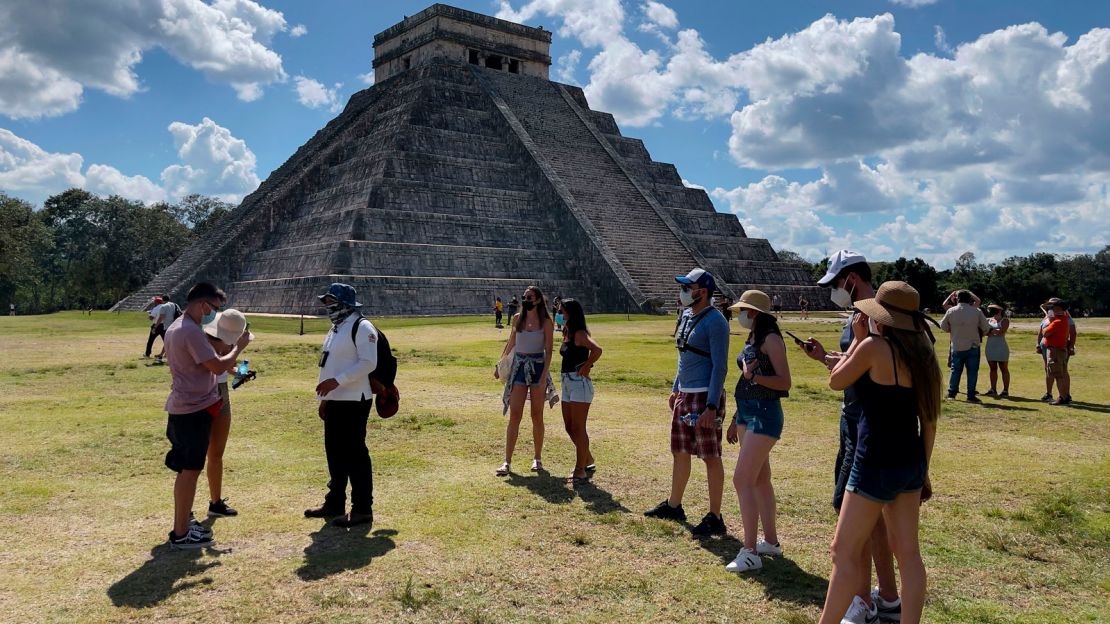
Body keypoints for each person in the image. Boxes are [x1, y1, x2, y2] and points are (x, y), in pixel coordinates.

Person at [817, 281, 940, 624]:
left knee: (843, 552)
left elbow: (836, 380)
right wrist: (924, 470)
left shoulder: (873, 346)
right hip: (911, 461)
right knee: (909, 555)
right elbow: (929, 422)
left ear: (881, 318)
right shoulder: (924, 355)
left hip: (874, 462)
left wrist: (857, 339)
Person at [801, 250, 901, 624]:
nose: (834, 292)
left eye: (836, 284)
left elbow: (874, 365)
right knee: (871, 518)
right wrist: (824, 357)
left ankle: (862, 600)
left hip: (864, 422)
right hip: (856, 419)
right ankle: (888, 597)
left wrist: (843, 359)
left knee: (849, 515)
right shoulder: (861, 319)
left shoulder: (875, 319)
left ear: (852, 280)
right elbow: (856, 366)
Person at [162, 282, 251, 549]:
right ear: (203, 305)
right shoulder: (190, 331)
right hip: (193, 409)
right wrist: (240, 347)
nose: (214, 313)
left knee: (187, 471)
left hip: (184, 405)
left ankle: (183, 525)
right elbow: (217, 365)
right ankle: (181, 533)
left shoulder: (178, 327)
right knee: (190, 471)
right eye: (213, 308)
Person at [644, 268, 731, 538]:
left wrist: (712, 405)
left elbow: (719, 367)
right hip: (685, 394)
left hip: (705, 396)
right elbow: (683, 357)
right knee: (680, 452)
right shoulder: (686, 316)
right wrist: (675, 388)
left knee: (710, 455)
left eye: (687, 287)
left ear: (702, 292)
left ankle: (715, 515)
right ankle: (674, 504)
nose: (682, 292)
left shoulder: (716, 321)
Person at [724, 290, 791, 573]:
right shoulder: (752, 338)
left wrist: (754, 376)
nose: (740, 315)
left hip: (764, 414)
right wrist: (736, 417)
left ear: (754, 313)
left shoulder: (771, 339)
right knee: (760, 479)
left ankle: (750, 550)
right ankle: (770, 542)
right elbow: (745, 380)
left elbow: (784, 382)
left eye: (744, 311)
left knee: (743, 480)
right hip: (747, 412)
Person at [304, 283, 379, 528]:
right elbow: (330, 364)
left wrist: (337, 382)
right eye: (325, 302)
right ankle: (334, 502)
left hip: (354, 400)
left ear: (344, 303)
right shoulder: (337, 328)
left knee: (355, 455)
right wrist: (326, 398)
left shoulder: (362, 326)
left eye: (331, 302)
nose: (327, 307)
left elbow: (368, 363)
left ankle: (362, 509)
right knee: (334, 454)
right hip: (336, 400)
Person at [494, 286, 556, 476]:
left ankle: (537, 459)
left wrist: (544, 374)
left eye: (529, 297)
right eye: (524, 296)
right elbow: (511, 343)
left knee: (537, 415)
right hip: (519, 367)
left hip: (537, 366)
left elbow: (549, 350)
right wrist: (500, 364)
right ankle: (507, 461)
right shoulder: (517, 318)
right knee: (515, 415)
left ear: (538, 300)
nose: (525, 299)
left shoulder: (546, 322)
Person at [202, 308, 253, 518]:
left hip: (221, 393)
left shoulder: (226, 344)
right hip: (202, 393)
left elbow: (227, 366)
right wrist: (239, 349)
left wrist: (240, 373)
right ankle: (185, 510)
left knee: (216, 453)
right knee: (195, 456)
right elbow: (216, 366)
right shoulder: (202, 342)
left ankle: (216, 502)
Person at [559, 298, 603, 483]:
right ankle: (588, 459)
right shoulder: (567, 331)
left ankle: (580, 469)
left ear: (571, 313)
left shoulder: (579, 333)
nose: (560, 314)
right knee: (569, 427)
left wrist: (586, 366)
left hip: (579, 383)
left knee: (579, 427)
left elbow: (597, 350)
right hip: (567, 382)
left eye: (562, 311)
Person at [940, 290, 990, 402]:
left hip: (957, 344)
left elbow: (943, 326)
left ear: (957, 299)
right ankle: (971, 395)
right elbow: (986, 327)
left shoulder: (951, 311)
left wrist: (951, 330)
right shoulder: (976, 311)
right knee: (972, 371)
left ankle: (952, 393)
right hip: (973, 344)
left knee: (955, 370)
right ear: (970, 299)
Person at [1036, 297, 1077, 402]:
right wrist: (1038, 344)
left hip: (1057, 348)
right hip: (1047, 347)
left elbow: (1046, 332)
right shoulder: (1048, 317)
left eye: (1053, 305)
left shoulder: (1063, 319)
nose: (1051, 307)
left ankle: (1064, 396)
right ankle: (1049, 393)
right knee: (1049, 370)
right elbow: (1041, 332)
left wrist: (1071, 346)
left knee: (1060, 372)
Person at [983, 304, 1010, 397]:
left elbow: (1000, 332)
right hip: (990, 346)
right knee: (992, 368)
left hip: (1001, 347)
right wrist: (991, 331)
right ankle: (993, 389)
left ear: (999, 310)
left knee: (1004, 368)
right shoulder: (988, 320)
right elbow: (983, 332)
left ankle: (1005, 390)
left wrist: (990, 331)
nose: (991, 311)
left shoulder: (1005, 320)